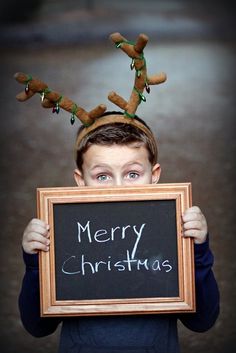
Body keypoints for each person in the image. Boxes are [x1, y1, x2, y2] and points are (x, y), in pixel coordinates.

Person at [19, 111, 220, 353]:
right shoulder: (64, 233)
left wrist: (198, 253)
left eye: (132, 174)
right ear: (80, 180)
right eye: (102, 176)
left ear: (154, 175)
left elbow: (202, 321)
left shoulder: (172, 232)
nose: (118, 188)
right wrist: (35, 265)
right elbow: (37, 327)